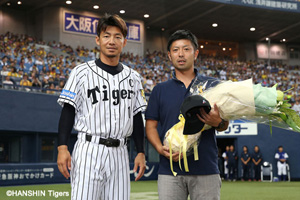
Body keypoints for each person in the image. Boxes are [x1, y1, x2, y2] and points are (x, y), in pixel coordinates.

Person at [56, 14, 147, 200]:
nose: (111, 41)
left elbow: (137, 117)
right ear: (98, 40)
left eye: (117, 36)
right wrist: (62, 148)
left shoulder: (134, 78)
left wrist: (141, 151)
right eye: (106, 36)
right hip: (89, 149)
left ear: (124, 42)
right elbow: (68, 111)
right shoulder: (80, 73)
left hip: (120, 152)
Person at [145, 29, 229, 200]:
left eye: (186, 49)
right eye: (175, 50)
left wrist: (217, 121)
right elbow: (151, 126)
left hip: (206, 168)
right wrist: (160, 149)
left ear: (195, 53)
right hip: (170, 170)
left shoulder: (212, 85)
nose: (181, 54)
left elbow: (225, 124)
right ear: (169, 55)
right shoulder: (159, 90)